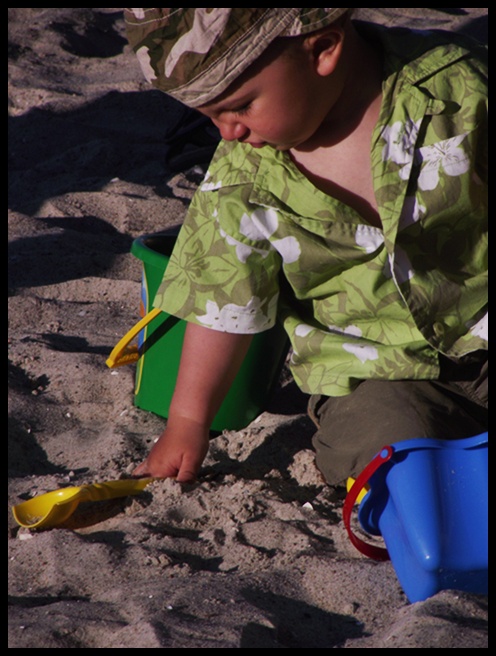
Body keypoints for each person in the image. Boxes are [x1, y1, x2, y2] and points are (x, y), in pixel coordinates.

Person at [123, 8, 488, 484]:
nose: (227, 132)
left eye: (241, 105)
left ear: (322, 50)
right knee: (393, 455)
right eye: (210, 116)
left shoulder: (457, 88)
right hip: (376, 376)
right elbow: (221, 304)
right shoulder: (243, 176)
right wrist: (189, 422)